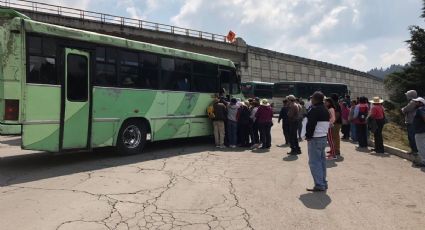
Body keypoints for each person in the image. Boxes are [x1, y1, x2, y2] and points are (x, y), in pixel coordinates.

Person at [305, 91, 330, 192]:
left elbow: (311, 125)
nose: (311, 100)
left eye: (312, 98)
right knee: (322, 161)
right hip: (323, 137)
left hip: (315, 138)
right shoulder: (325, 109)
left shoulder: (314, 110)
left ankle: (319, 185)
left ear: (315, 99)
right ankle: (323, 182)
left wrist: (308, 136)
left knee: (314, 162)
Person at [401, 90, 419, 155]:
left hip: (411, 121)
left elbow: (405, 109)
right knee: (411, 136)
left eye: (407, 95)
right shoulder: (416, 101)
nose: (406, 96)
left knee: (412, 136)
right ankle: (414, 150)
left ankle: (415, 151)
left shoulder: (412, 102)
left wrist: (403, 109)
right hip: (412, 121)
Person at [412, 97, 425, 167]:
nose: (415, 103)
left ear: (421, 103)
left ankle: (424, 161)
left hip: (420, 131)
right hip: (422, 130)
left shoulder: (420, 109)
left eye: (417, 102)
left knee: (421, 147)